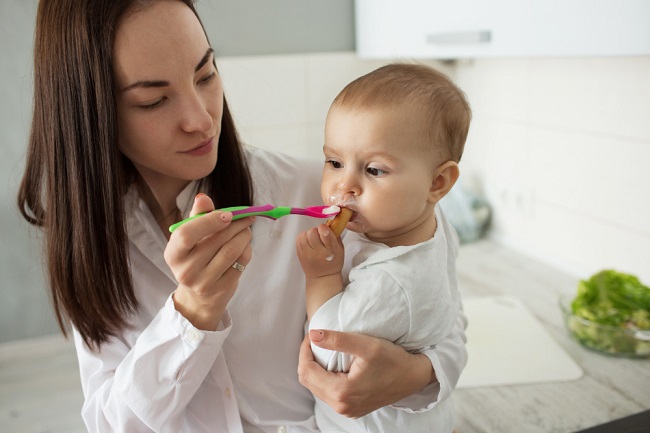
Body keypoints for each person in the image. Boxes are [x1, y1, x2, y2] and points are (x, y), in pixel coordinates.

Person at [17, 1, 468, 432]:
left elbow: (443, 322)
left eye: (206, 74)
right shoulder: (93, 244)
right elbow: (112, 423)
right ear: (91, 113)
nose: (201, 119)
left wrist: (413, 375)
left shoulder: (342, 197)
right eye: (154, 101)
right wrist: (192, 313)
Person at [296, 63, 471, 432]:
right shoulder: (432, 227)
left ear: (437, 182)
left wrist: (321, 274)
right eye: (335, 162)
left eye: (374, 170)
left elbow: (329, 351)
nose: (344, 187)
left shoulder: (393, 280)